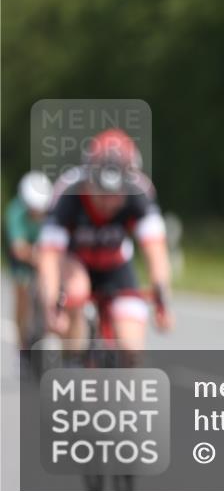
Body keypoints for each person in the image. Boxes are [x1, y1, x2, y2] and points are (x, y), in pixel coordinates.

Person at [37, 129, 173, 363]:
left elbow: (156, 251)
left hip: (115, 263)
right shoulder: (68, 192)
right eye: (101, 194)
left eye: (116, 195)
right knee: (77, 290)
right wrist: (52, 307)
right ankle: (72, 361)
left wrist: (162, 301)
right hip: (74, 261)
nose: (108, 204)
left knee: (132, 349)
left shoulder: (140, 193)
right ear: (89, 180)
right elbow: (48, 256)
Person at [4, 171, 54, 350]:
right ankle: (21, 340)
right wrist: (38, 258)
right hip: (23, 261)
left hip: (44, 256)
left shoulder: (52, 211)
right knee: (22, 290)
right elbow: (18, 249)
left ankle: (47, 326)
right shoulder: (15, 212)